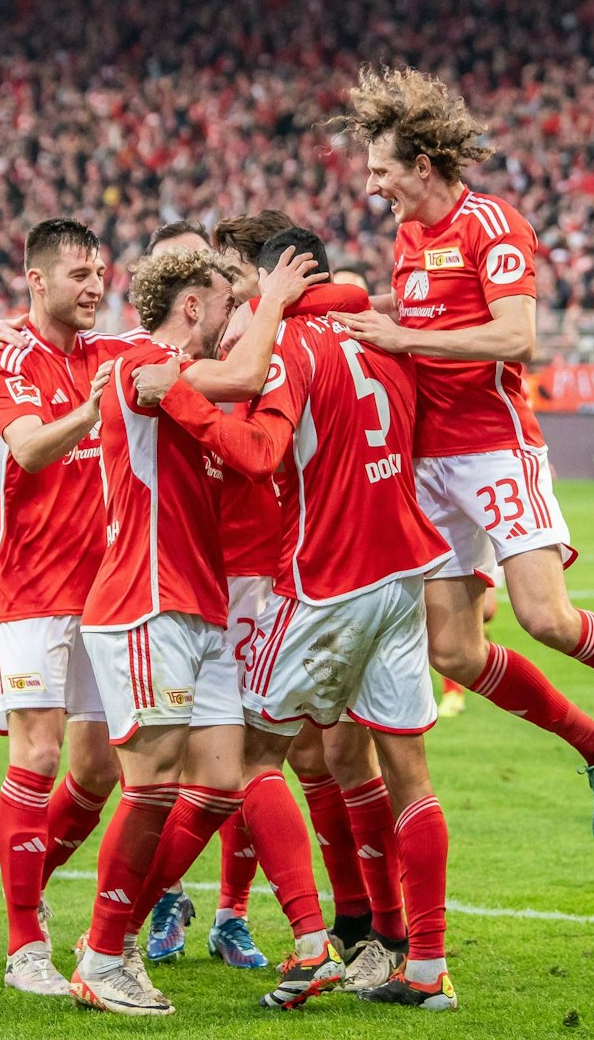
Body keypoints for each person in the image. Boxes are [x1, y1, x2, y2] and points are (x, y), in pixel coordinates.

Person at [331, 65, 594, 842]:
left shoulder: (493, 225)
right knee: (454, 650)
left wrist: (404, 337)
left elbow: (517, 334)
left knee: (545, 616)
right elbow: (415, 308)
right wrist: (335, 308)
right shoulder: (408, 236)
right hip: (427, 462)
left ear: (422, 166)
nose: (371, 186)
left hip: (495, 449)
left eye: (380, 171)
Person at [136, 226, 461, 1009]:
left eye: (245, 280)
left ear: (279, 273)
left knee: (253, 755)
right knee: (407, 773)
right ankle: (426, 963)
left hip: (327, 579)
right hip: (403, 572)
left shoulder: (290, 345)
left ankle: (312, 945)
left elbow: (258, 453)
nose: (242, 297)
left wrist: (178, 393)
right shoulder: (380, 335)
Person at [70, 246, 323, 1017]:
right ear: (191, 306)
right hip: (147, 600)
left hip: (201, 606)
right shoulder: (142, 365)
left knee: (216, 784)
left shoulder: (177, 377)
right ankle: (102, 955)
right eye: (224, 304)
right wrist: (275, 298)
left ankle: (111, 944)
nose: (232, 318)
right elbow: (246, 375)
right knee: (150, 787)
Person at [0, 219, 135, 998]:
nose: (95, 286)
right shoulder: (6, 359)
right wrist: (92, 411)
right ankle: (24, 945)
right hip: (31, 589)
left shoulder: (109, 353)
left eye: (99, 272)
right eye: (79, 274)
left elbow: (186, 347)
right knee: (36, 754)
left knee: (99, 768)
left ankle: (27, 883)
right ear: (37, 280)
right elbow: (31, 448)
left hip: (105, 591)